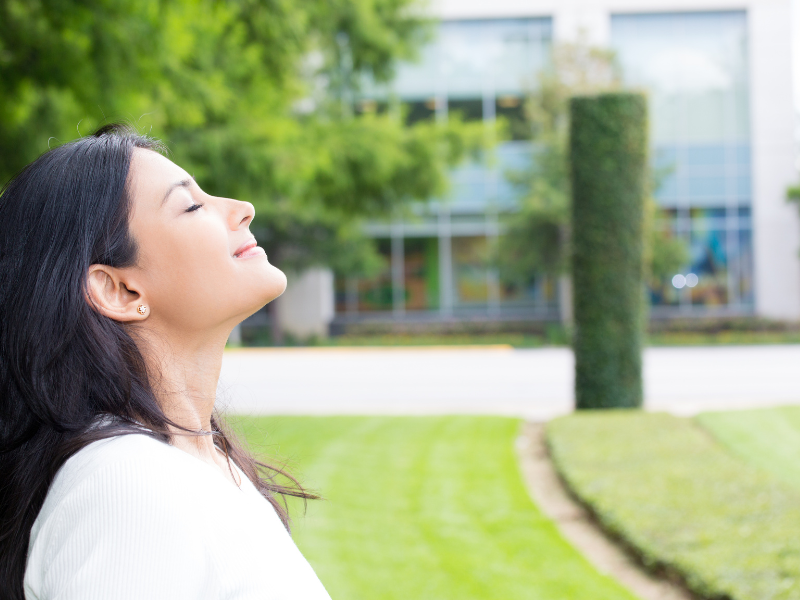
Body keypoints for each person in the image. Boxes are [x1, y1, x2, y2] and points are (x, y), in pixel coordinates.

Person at [0, 124, 331, 600]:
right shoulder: (125, 483)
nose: (243, 209)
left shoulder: (199, 462)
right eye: (192, 205)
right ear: (120, 289)